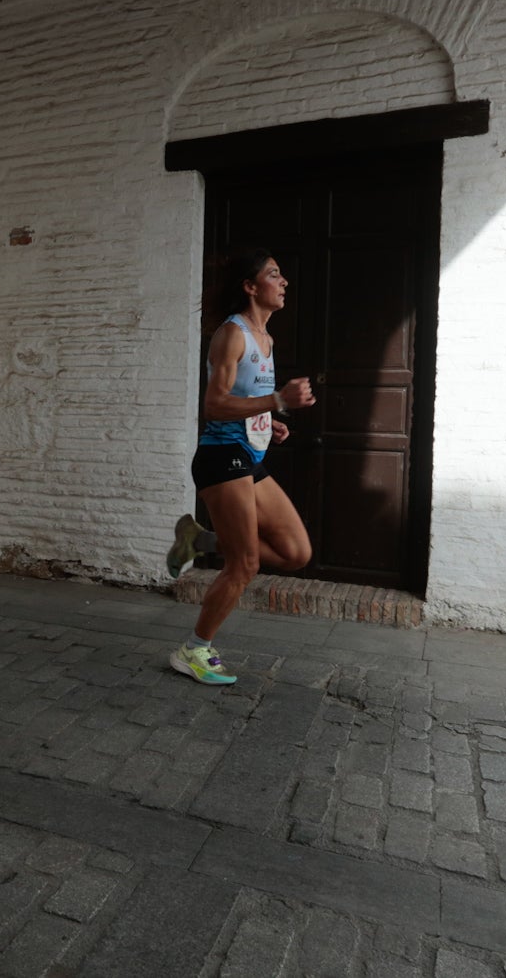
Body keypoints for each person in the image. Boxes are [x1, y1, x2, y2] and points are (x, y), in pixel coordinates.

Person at [165, 248, 315, 685]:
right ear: (250, 287)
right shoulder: (233, 335)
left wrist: (269, 420)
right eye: (274, 274)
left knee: (296, 552)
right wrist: (278, 399)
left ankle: (199, 539)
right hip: (220, 457)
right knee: (244, 564)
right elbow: (214, 405)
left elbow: (244, 402)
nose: (284, 282)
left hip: (248, 455)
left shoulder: (266, 339)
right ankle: (194, 649)